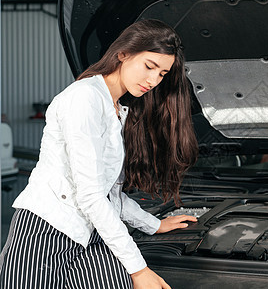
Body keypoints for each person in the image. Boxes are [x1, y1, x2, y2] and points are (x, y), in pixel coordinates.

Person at [0, 19, 199, 289]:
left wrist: (154, 225)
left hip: (90, 232)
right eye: (149, 66)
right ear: (123, 54)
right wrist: (139, 270)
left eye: (162, 74)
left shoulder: (117, 108)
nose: (153, 81)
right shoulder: (84, 99)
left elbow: (110, 193)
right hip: (45, 231)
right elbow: (92, 195)